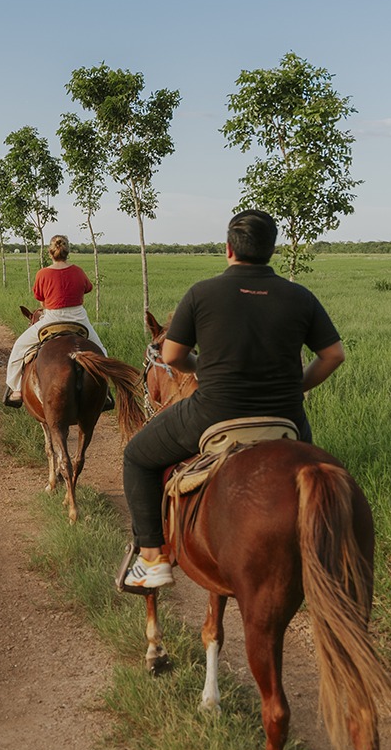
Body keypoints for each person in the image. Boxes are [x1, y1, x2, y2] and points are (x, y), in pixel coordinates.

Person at [120, 209, 345, 589]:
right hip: (285, 417)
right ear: (272, 250)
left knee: (137, 457)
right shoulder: (300, 296)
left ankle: (153, 557)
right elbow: (334, 355)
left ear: (228, 249)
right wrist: (297, 387)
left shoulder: (202, 293)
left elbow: (172, 356)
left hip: (214, 412)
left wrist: (201, 368)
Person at [4, 234, 107, 407]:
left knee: (19, 348)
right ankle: (106, 393)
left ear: (50, 253)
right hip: (79, 319)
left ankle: (16, 390)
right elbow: (87, 288)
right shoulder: (78, 271)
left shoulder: (43, 273)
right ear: (68, 252)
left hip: (51, 318)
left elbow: (40, 298)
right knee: (102, 352)